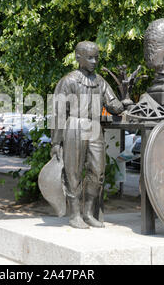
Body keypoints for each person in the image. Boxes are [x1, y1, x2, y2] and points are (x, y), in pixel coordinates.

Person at [50, 41, 127, 229]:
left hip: (94, 127)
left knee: (97, 172)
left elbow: (113, 104)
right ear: (78, 58)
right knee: (73, 172)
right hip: (74, 126)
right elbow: (59, 113)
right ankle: (75, 214)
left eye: (96, 58)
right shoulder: (68, 81)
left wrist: (125, 102)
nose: (94, 61)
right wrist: (56, 142)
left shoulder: (100, 81)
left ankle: (88, 212)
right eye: (90, 58)